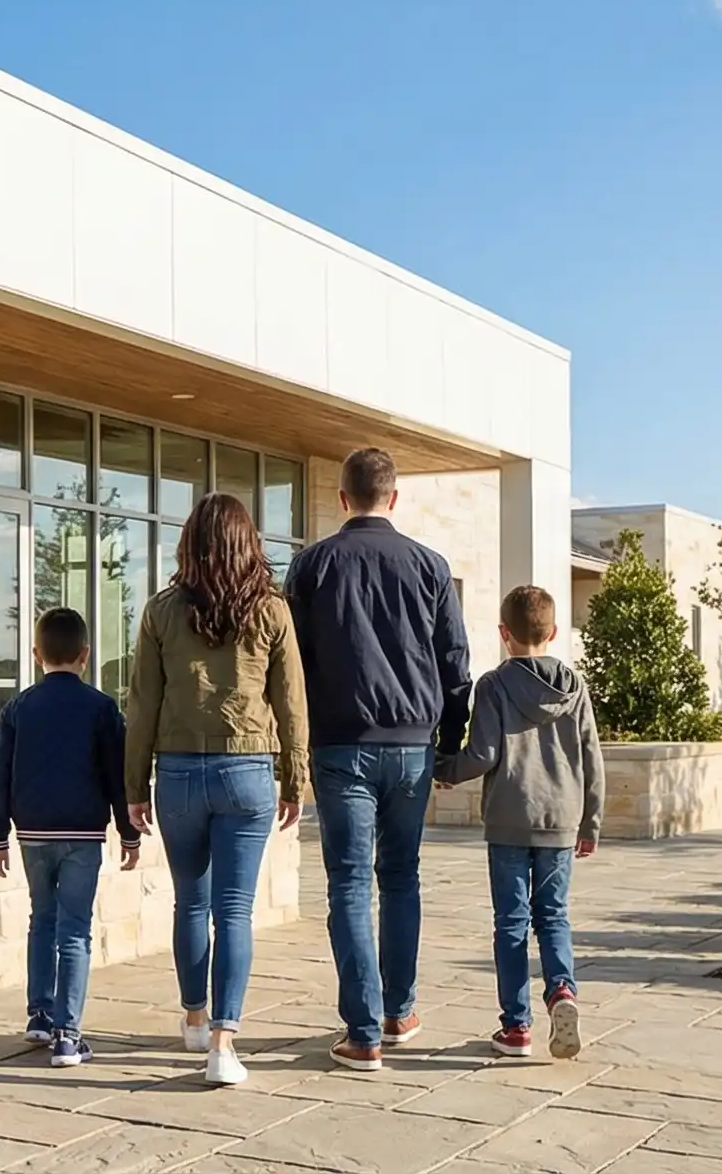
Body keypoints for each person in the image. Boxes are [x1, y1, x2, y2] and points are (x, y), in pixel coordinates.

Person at [284, 446, 471, 1071]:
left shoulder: (311, 566)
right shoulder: (431, 566)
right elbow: (455, 664)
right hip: (413, 748)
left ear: (343, 499)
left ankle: (362, 1032)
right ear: (393, 498)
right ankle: (400, 1011)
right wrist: (449, 743)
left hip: (340, 746)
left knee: (349, 884)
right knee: (401, 877)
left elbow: (293, 665)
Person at [127, 493, 308, 1087]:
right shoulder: (272, 610)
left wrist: (134, 786)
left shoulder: (160, 611)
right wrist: (295, 778)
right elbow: (291, 704)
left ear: (189, 544)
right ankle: (224, 1046)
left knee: (191, 903)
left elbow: (142, 705)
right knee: (235, 909)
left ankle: (194, 1017)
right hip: (248, 769)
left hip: (177, 772)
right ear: (247, 543)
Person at [435, 585, 601, 1060]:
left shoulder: (494, 685)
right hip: (562, 819)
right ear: (551, 632)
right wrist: (590, 823)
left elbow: (483, 753)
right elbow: (592, 758)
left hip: (509, 818)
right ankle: (562, 991)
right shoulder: (575, 686)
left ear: (504, 633)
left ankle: (517, 1028)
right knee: (553, 916)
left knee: (510, 922)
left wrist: (442, 769)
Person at [0, 606, 142, 1068]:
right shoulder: (101, 708)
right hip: (83, 834)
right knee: (75, 931)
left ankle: (39, 1013)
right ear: (86, 655)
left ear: (37, 655)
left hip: (32, 833)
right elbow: (118, 777)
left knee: (42, 919)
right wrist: (129, 834)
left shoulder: (18, 708)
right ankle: (68, 1036)